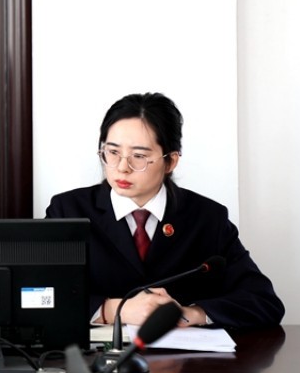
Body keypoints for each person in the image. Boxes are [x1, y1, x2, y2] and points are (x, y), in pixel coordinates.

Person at [45, 92, 284, 329]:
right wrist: (116, 310)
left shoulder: (207, 218)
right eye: (113, 152)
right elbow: (37, 295)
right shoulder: (68, 211)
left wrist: (190, 314)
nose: (122, 167)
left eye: (139, 156)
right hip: (98, 353)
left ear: (171, 161)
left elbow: (264, 302)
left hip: (181, 353)